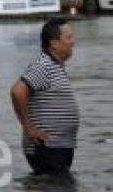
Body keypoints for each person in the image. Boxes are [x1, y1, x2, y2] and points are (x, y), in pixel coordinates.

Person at [10, 18, 79, 175]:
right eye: (68, 37)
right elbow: (17, 91)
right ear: (54, 43)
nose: (73, 42)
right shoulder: (44, 66)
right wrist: (28, 126)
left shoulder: (54, 66)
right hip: (46, 147)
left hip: (56, 147)